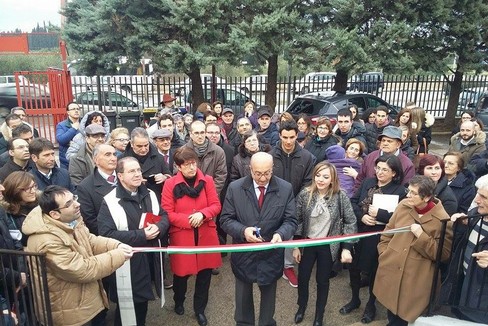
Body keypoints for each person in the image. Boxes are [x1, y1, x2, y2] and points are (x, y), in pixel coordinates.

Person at [22, 185, 133, 326]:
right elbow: (81, 270)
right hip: (69, 312)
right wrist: (118, 255)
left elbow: (89, 240)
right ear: (54, 214)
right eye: (69, 203)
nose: (77, 204)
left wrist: (116, 245)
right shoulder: (47, 240)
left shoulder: (69, 220)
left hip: (84, 302)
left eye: (74, 198)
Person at [220, 152, 297, 326]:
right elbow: (225, 220)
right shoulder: (235, 188)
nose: (262, 178)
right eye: (258, 173)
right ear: (250, 170)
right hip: (243, 253)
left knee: (268, 300)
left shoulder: (285, 189)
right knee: (242, 299)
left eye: (267, 173)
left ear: (273, 169)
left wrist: (281, 234)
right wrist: (243, 231)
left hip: (271, 253)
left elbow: (291, 220)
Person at [97, 157, 169, 326]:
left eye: (138, 170)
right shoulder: (110, 201)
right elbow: (106, 234)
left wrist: (159, 228)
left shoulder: (149, 194)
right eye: (131, 171)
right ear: (120, 176)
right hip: (128, 263)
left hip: (149, 260)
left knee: (142, 306)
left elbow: (164, 216)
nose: (137, 174)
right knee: (127, 311)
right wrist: (142, 235)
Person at [374, 175, 453, 325]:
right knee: (391, 311)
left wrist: (421, 236)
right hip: (391, 269)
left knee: (404, 317)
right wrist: (384, 253)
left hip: (416, 279)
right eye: (408, 190)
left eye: (413, 193)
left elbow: (443, 254)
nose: (407, 195)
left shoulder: (443, 220)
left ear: (427, 197)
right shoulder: (404, 205)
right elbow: (388, 232)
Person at [340, 154, 406, 324]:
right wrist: (362, 216)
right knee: (353, 268)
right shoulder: (368, 182)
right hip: (359, 231)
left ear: (394, 173)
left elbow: (400, 217)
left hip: (378, 236)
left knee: (374, 271)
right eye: (378, 168)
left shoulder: (400, 191)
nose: (380, 172)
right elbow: (353, 202)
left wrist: (381, 215)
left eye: (385, 169)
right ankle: (355, 299)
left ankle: (371, 304)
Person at [161, 147, 222, 326]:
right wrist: (189, 220)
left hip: (206, 233)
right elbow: (167, 212)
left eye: (194, 163)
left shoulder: (207, 180)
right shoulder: (170, 184)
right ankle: (179, 300)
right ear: (178, 167)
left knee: (205, 275)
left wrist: (202, 215)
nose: (192, 167)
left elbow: (216, 205)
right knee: (181, 275)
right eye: (187, 165)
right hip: (182, 235)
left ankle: (200, 309)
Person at [293, 162, 357, 326]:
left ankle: (319, 315)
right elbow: (297, 220)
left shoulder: (340, 196)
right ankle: (301, 307)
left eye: (325, 177)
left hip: (328, 246)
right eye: (318, 175)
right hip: (308, 243)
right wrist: (296, 246)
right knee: (303, 277)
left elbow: (350, 221)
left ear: (333, 179)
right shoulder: (305, 194)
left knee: (323, 281)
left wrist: (347, 247)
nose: (320, 180)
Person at [272, 120, 314, 287]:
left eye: (292, 137)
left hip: (296, 200)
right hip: (273, 200)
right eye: (285, 137)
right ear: (280, 136)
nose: (288, 141)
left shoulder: (307, 157)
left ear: (297, 135)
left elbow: (308, 182)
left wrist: (296, 202)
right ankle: (273, 263)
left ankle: (288, 266)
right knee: (272, 231)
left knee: (290, 233)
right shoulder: (271, 154)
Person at [447, 174, 488, 324]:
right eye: (478, 194)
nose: (477, 200)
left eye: (483, 197)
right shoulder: (476, 214)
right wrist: (463, 220)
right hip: (465, 287)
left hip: (481, 305)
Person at [355, 126, 415, 191]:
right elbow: (360, 180)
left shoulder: (407, 164)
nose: (385, 143)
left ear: (398, 144)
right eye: (383, 140)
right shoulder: (370, 157)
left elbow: (406, 189)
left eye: (389, 141)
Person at [77, 144, 118, 235]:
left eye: (114, 154)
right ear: (95, 160)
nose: (113, 158)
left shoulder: (127, 176)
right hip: (107, 237)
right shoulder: (85, 187)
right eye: (107, 155)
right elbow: (90, 221)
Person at [122, 127, 171, 203]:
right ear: (131, 144)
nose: (144, 149)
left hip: (154, 200)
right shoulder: (121, 160)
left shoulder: (158, 157)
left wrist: (164, 177)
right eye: (139, 146)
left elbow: (170, 176)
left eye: (146, 145)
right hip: (131, 201)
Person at [184, 121, 227, 197]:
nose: (200, 136)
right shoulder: (182, 151)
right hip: (188, 195)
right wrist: (190, 193)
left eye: (202, 132)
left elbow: (220, 176)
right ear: (190, 134)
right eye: (196, 133)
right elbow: (178, 173)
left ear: (205, 133)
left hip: (211, 196)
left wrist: (209, 194)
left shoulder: (218, 151)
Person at [2, 171, 39, 246]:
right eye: (27, 189)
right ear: (15, 191)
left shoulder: (42, 205)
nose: (33, 191)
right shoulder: (7, 214)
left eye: (33, 186)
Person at [55, 102, 81, 169]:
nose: (76, 111)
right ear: (68, 112)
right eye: (73, 109)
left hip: (82, 160)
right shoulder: (61, 125)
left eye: (78, 109)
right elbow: (61, 140)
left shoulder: (84, 124)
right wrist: (74, 129)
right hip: (67, 162)